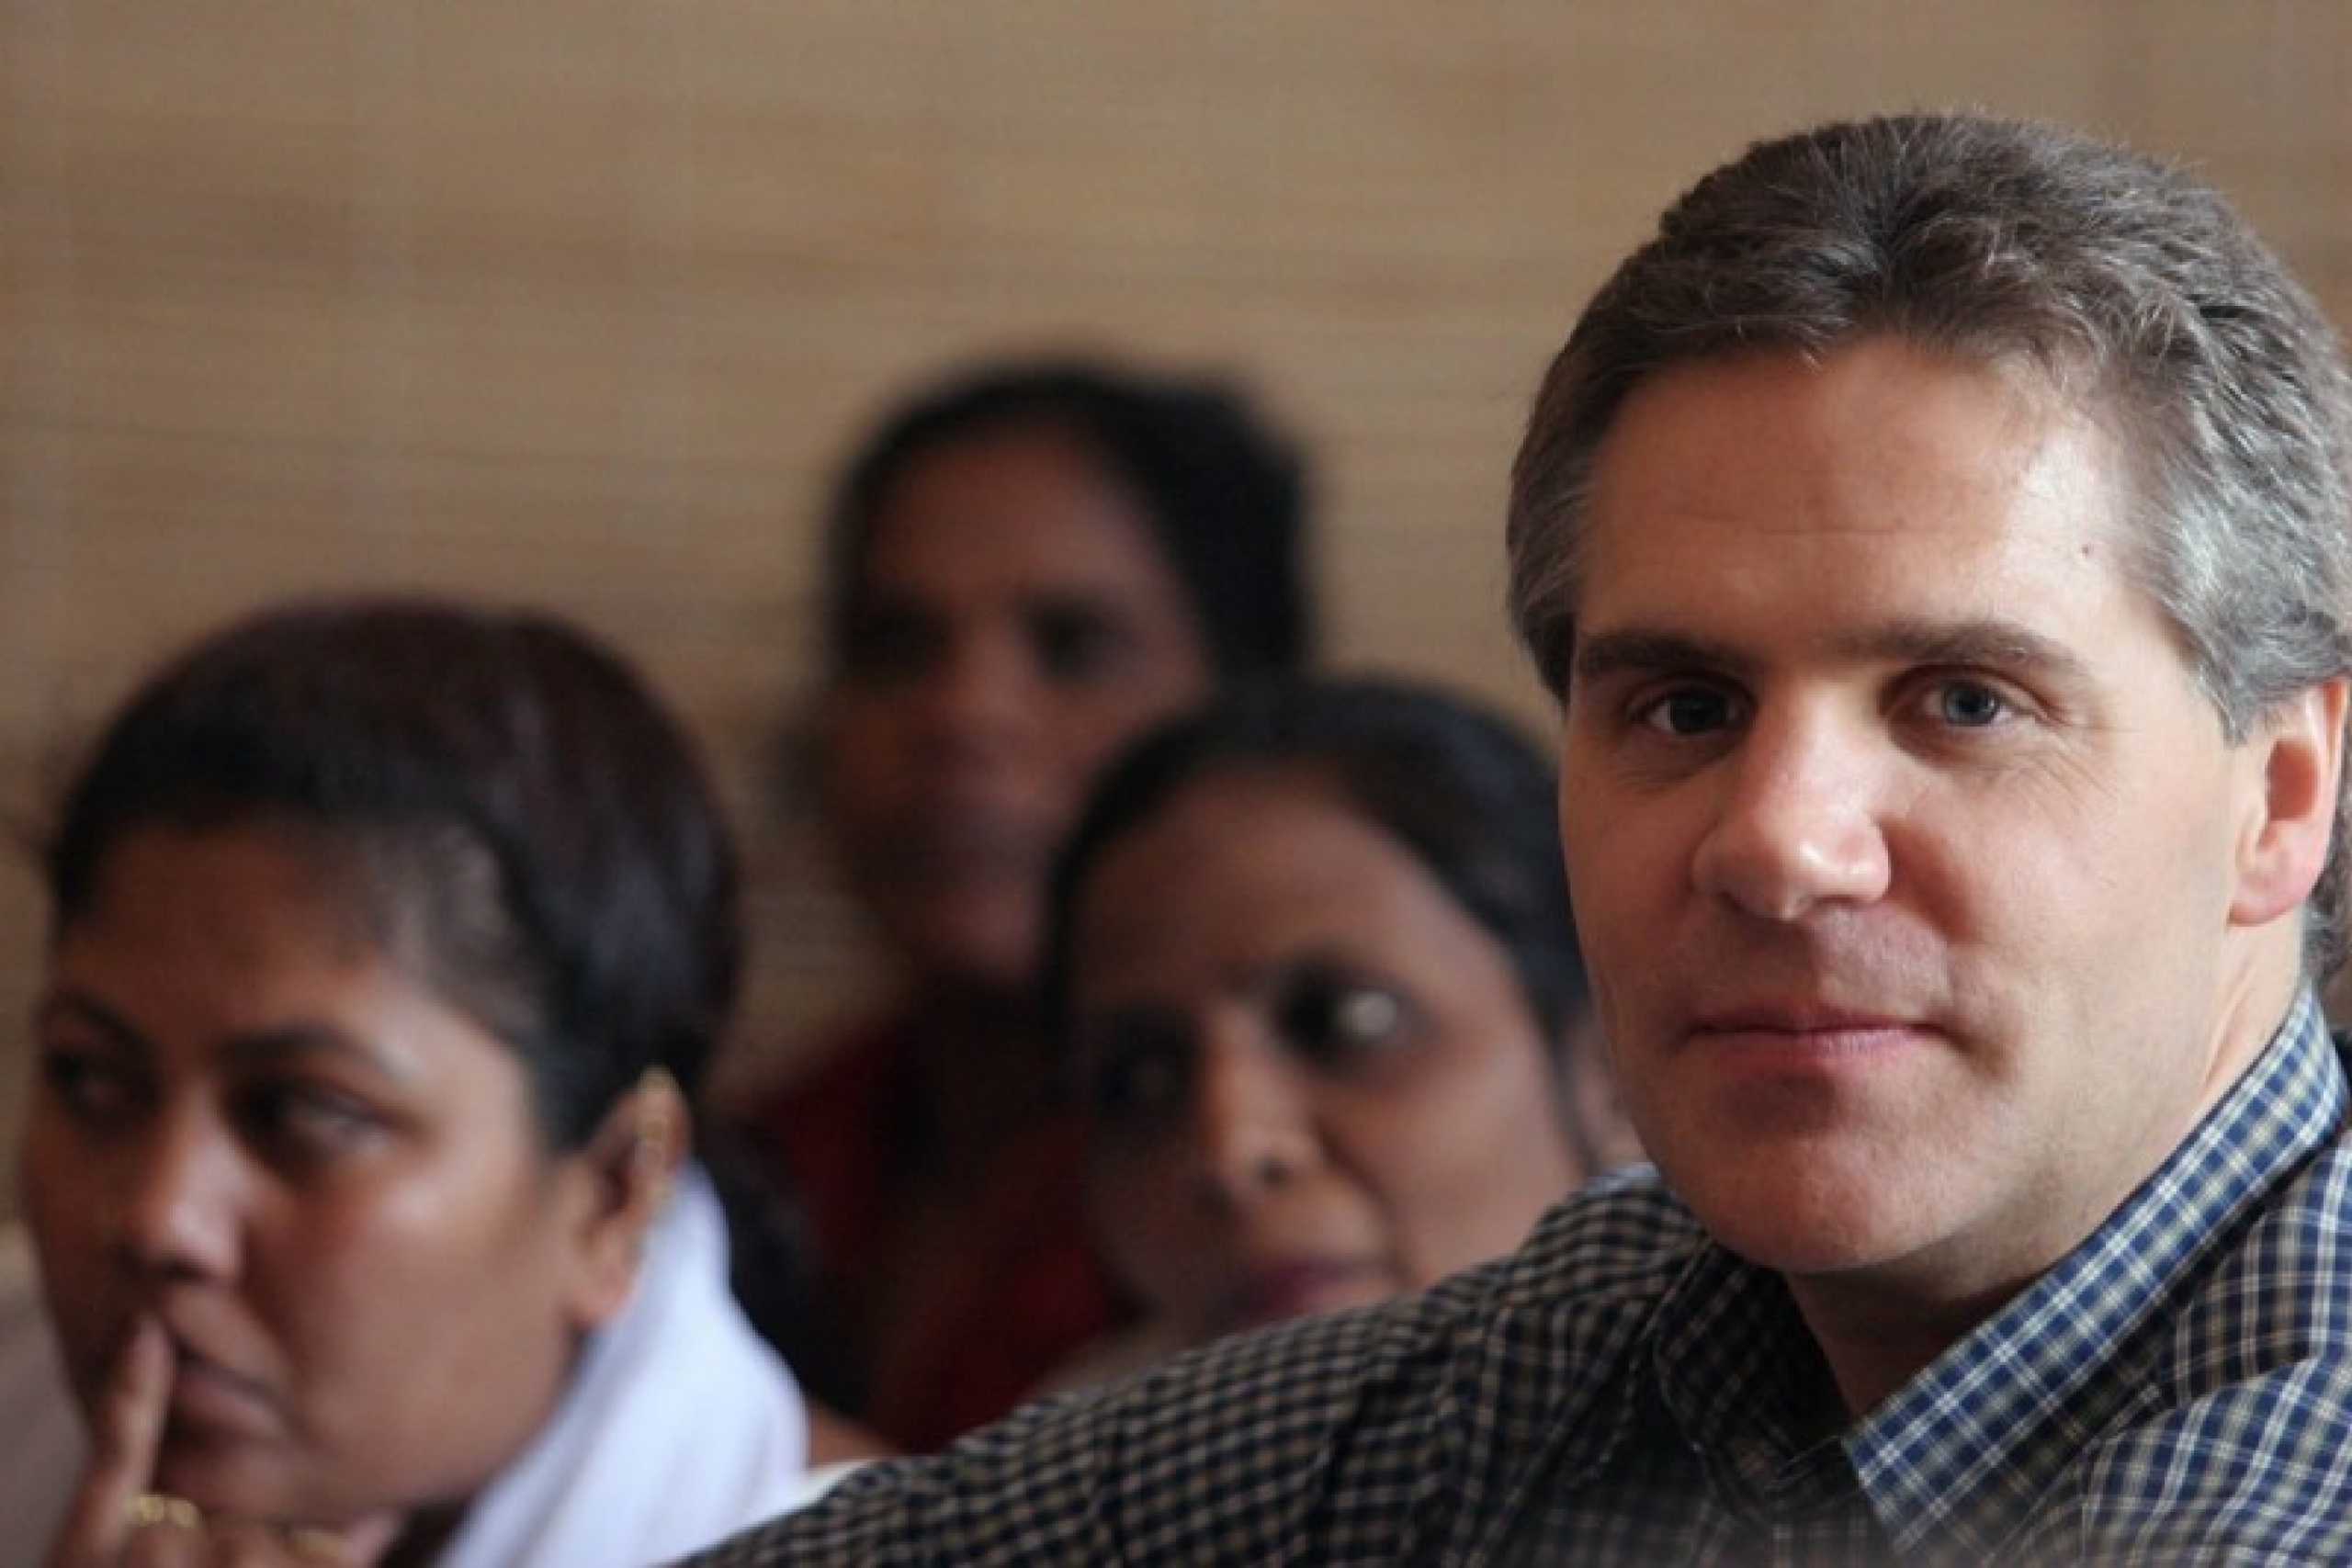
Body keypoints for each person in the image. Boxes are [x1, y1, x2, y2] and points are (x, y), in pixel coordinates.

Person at [677, 108, 2352, 1564]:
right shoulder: (1600, 1348)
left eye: (1964, 702)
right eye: (1686, 706)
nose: (1778, 842)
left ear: (2280, 792)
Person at [13, 598, 825, 1566]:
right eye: (92, 1082)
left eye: (304, 1113)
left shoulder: (834, 1545)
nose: (157, 1220)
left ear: (615, 1192)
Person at [725, 355, 1312, 1450]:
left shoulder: (1291, 1182)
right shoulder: (763, 1163)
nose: (963, 715)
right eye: (896, 647)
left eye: (1074, 647)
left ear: (1248, 718)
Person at [1039, 673, 1636, 1386]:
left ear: (1609, 1068)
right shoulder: (1071, 1466)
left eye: (1348, 1022)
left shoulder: (1771, 1442)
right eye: (1138, 1079)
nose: (1231, 1150)